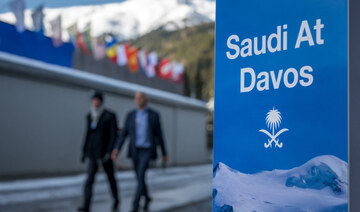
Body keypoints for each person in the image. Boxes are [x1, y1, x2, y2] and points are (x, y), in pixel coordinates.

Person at [111, 92, 168, 212]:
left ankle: (135, 205)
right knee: (139, 176)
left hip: (147, 150)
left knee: (141, 174)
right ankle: (146, 197)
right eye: (136, 98)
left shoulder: (153, 115)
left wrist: (164, 153)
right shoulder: (131, 115)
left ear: (146, 100)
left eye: (141, 98)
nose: (138, 100)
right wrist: (116, 149)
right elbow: (123, 134)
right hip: (135, 150)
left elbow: (160, 135)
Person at [78, 91, 119, 212]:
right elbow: (88, 134)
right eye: (93, 100)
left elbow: (113, 135)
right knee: (90, 179)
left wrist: (110, 152)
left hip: (105, 153)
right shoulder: (90, 115)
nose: (95, 102)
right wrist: (84, 151)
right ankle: (86, 205)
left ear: (101, 101)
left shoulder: (109, 116)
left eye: (97, 100)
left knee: (110, 177)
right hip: (92, 153)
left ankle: (116, 200)